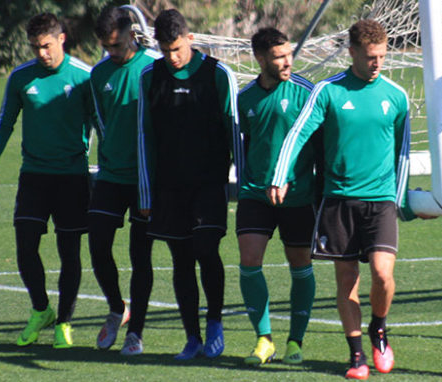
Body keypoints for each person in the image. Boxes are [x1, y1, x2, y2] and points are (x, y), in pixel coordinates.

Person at [268, 19, 421, 380]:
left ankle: (378, 329)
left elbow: (403, 154)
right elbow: (298, 133)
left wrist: (401, 201)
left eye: (382, 56)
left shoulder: (396, 96)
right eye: (370, 57)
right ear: (352, 52)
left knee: (383, 276)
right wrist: (280, 175)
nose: (377, 63)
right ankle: (356, 356)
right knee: (346, 281)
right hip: (338, 201)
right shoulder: (328, 91)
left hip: (381, 200)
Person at [0, 12, 94, 349]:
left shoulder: (84, 76)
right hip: (34, 176)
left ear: (61, 39)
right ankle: (41, 310)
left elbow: (103, 122)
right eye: (34, 47)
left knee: (69, 251)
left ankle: (65, 322)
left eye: (46, 45)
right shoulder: (20, 78)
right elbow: (4, 124)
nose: (41, 53)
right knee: (25, 246)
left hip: (72, 177)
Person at [137, 9, 241, 360]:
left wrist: (240, 182)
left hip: (208, 183)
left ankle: (214, 321)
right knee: (181, 260)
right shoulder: (150, 76)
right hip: (169, 186)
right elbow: (144, 136)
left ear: (191, 40)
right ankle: (192, 337)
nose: (172, 57)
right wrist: (146, 190)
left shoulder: (218, 74)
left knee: (206, 250)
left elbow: (234, 130)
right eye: (165, 50)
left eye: (177, 48)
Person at [236, 27, 321, 366]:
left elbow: (320, 146)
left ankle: (295, 341)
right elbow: (242, 146)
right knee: (249, 260)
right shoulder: (245, 99)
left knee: (300, 265)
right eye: (279, 57)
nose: (287, 62)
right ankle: (264, 339)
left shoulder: (307, 93)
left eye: (289, 55)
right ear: (260, 59)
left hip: (298, 196)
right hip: (255, 194)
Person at [89, 6, 161, 355]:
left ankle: (137, 333)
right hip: (111, 175)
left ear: (132, 35)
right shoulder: (98, 74)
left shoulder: (153, 67)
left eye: (117, 45)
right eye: (107, 46)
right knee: (98, 244)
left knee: (140, 254)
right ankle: (118, 307)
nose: (112, 52)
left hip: (146, 179)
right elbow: (101, 122)